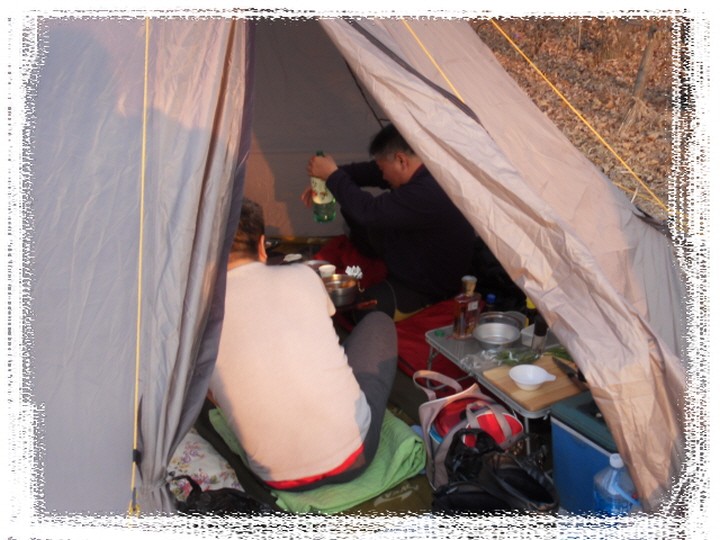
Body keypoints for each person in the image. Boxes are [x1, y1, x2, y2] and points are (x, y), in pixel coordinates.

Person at [208, 198, 398, 491]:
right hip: (354, 459)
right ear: (262, 245)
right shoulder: (303, 276)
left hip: (276, 477)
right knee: (377, 324)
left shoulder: (196, 317)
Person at [303, 123, 476, 320]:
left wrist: (332, 176)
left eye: (383, 168)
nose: (383, 175)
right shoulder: (426, 168)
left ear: (401, 160)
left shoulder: (428, 191)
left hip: (429, 285)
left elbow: (369, 211)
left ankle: (424, 303)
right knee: (354, 211)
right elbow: (372, 172)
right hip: (412, 252)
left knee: (363, 310)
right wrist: (328, 177)